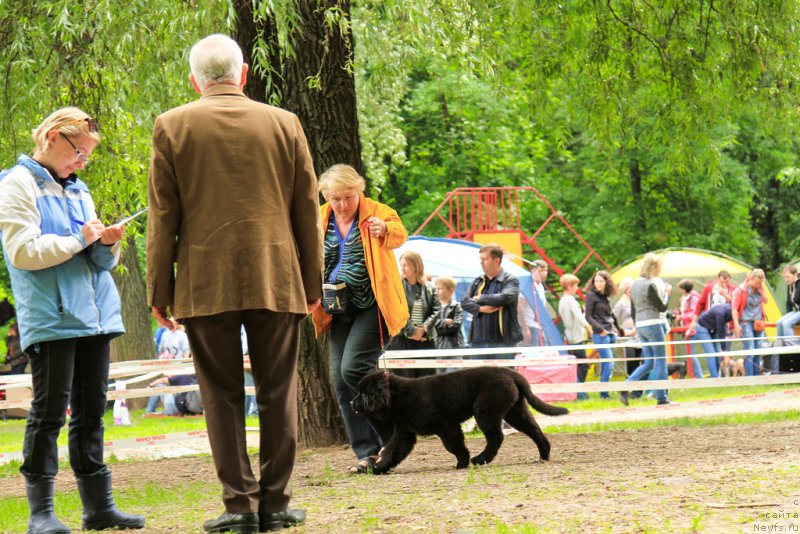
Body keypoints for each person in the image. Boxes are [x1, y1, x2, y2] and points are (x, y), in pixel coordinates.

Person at [147, 35, 322, 533]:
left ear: (194, 80)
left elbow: (164, 217)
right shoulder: (285, 123)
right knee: (277, 392)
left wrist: (160, 292)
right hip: (277, 278)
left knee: (220, 396)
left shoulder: (172, 125)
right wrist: (312, 284)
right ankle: (276, 503)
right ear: (243, 74)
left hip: (205, 285)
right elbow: (306, 211)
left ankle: (240, 508)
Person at [0, 107, 144, 532]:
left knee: (91, 412)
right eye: (78, 152)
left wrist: (108, 245)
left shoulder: (79, 190)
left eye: (86, 156)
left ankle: (98, 507)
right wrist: (79, 237)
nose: (82, 162)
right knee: (48, 414)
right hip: (51, 318)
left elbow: (95, 263)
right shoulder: (16, 185)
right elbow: (22, 252)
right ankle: (40, 513)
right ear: (50, 139)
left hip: (95, 319)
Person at [311, 163, 408, 474]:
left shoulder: (377, 211)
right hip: (337, 308)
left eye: (349, 197)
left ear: (360, 191)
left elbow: (399, 233)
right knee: (340, 380)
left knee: (353, 368)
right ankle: (368, 453)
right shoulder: (320, 217)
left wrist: (385, 230)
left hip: (373, 307)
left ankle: (395, 439)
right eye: (335, 198)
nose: (342, 204)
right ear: (326, 195)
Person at [620, 253, 670, 406]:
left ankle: (625, 387)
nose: (660, 270)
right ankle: (662, 397)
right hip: (653, 323)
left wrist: (637, 325)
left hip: (640, 326)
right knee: (661, 361)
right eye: (659, 267)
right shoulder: (650, 285)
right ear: (654, 267)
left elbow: (634, 308)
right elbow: (661, 307)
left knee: (648, 362)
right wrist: (667, 295)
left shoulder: (634, 284)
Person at [461, 244, 523, 356]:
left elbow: (505, 297)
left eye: (484, 259)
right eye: (480, 259)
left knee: (503, 374)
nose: (481, 262)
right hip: (477, 342)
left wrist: (480, 298)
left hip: (503, 342)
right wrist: (481, 309)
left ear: (497, 261)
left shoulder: (511, 280)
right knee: (478, 374)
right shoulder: (478, 281)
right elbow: (464, 302)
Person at [387, 251, 440, 378]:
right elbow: (395, 311)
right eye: (401, 265)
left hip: (425, 340)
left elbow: (437, 311)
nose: (402, 269)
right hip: (401, 340)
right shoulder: (396, 287)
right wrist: (412, 331)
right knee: (404, 382)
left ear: (416, 267)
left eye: (406, 265)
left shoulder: (430, 287)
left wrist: (424, 329)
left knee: (427, 382)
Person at [583, 270, 619, 399]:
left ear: (606, 283)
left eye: (601, 281)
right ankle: (604, 393)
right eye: (596, 281)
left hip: (610, 333)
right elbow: (588, 316)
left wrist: (616, 330)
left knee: (608, 364)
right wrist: (600, 329)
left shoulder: (605, 297)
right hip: (600, 334)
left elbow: (610, 315)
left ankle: (605, 392)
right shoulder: (591, 295)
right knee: (608, 363)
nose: (598, 284)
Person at [558, 274, 593, 400]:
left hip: (569, 336)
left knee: (576, 365)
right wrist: (588, 328)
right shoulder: (570, 300)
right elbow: (578, 317)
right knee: (583, 365)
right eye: (575, 285)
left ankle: (578, 391)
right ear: (569, 286)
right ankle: (580, 392)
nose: (577, 288)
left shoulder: (562, 300)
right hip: (576, 337)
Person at [732, 268, 769, 376]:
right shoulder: (741, 290)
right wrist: (736, 325)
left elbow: (766, 301)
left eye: (760, 283)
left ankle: (757, 377)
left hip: (758, 322)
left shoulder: (760, 288)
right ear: (750, 278)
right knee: (750, 351)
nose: (758, 285)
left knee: (758, 351)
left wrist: (762, 292)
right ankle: (750, 378)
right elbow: (734, 308)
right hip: (746, 322)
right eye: (756, 282)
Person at [687, 303, 733, 378]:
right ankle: (714, 378)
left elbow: (723, 331)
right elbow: (721, 331)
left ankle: (717, 375)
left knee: (718, 353)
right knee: (711, 353)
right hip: (702, 327)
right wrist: (724, 350)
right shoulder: (720, 314)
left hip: (713, 328)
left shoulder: (728, 309)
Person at [676, 279, 704, 378]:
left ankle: (699, 376)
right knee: (689, 354)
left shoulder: (694, 299)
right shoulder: (683, 299)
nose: (680, 291)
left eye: (681, 289)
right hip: (685, 329)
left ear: (684, 289)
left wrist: (681, 317)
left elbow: (694, 313)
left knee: (690, 354)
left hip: (692, 328)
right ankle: (696, 375)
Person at [777, 265, 800, 341]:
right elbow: (788, 303)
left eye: (788, 277)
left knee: (787, 324)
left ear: (795, 274)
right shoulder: (789, 286)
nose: (786, 279)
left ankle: (792, 347)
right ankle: (780, 346)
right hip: (796, 311)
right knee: (780, 322)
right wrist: (789, 316)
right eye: (785, 277)